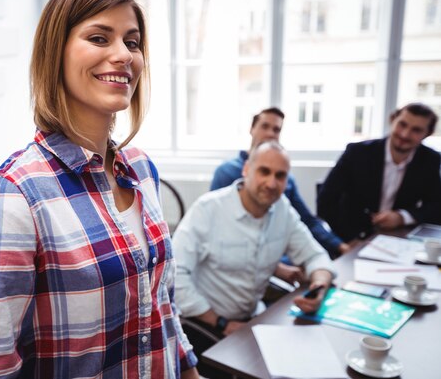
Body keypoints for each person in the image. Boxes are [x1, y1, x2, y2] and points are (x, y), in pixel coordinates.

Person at [0, 0, 199, 379]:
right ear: (56, 54)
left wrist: (188, 369)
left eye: (132, 43)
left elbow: (162, 308)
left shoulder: (141, 169)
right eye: (100, 38)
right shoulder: (16, 194)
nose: (123, 55)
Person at [174, 141, 335, 337]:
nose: (271, 183)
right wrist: (220, 322)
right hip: (205, 323)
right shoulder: (207, 209)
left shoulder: (283, 210)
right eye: (264, 172)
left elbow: (315, 256)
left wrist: (318, 287)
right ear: (246, 169)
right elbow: (174, 275)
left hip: (252, 319)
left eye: (280, 175)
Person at [211, 107, 349, 260]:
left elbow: (306, 220)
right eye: (265, 126)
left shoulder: (286, 181)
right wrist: (277, 269)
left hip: (280, 253)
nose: (271, 183)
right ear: (246, 170)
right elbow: (218, 228)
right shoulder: (226, 173)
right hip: (241, 257)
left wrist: (341, 246)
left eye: (276, 130)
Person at [317, 102, 441, 242]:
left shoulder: (431, 160)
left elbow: (436, 207)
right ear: (392, 120)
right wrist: (348, 239)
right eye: (402, 124)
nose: (405, 134)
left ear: (427, 134)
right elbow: (326, 201)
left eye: (416, 130)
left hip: (400, 238)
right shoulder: (357, 153)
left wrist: (402, 217)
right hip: (352, 235)